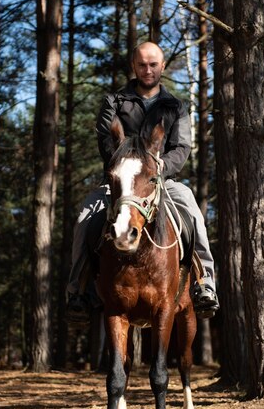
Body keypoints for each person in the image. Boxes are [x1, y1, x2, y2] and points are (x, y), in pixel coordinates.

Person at [67, 41, 219, 318]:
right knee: (84, 218)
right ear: (133, 67)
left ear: (162, 66)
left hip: (161, 179)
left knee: (193, 212)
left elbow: (182, 147)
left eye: (152, 65)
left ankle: (205, 283)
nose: (147, 70)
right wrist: (125, 165)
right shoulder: (114, 102)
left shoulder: (175, 106)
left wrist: (160, 167)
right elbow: (105, 140)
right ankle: (78, 290)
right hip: (121, 181)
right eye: (141, 65)